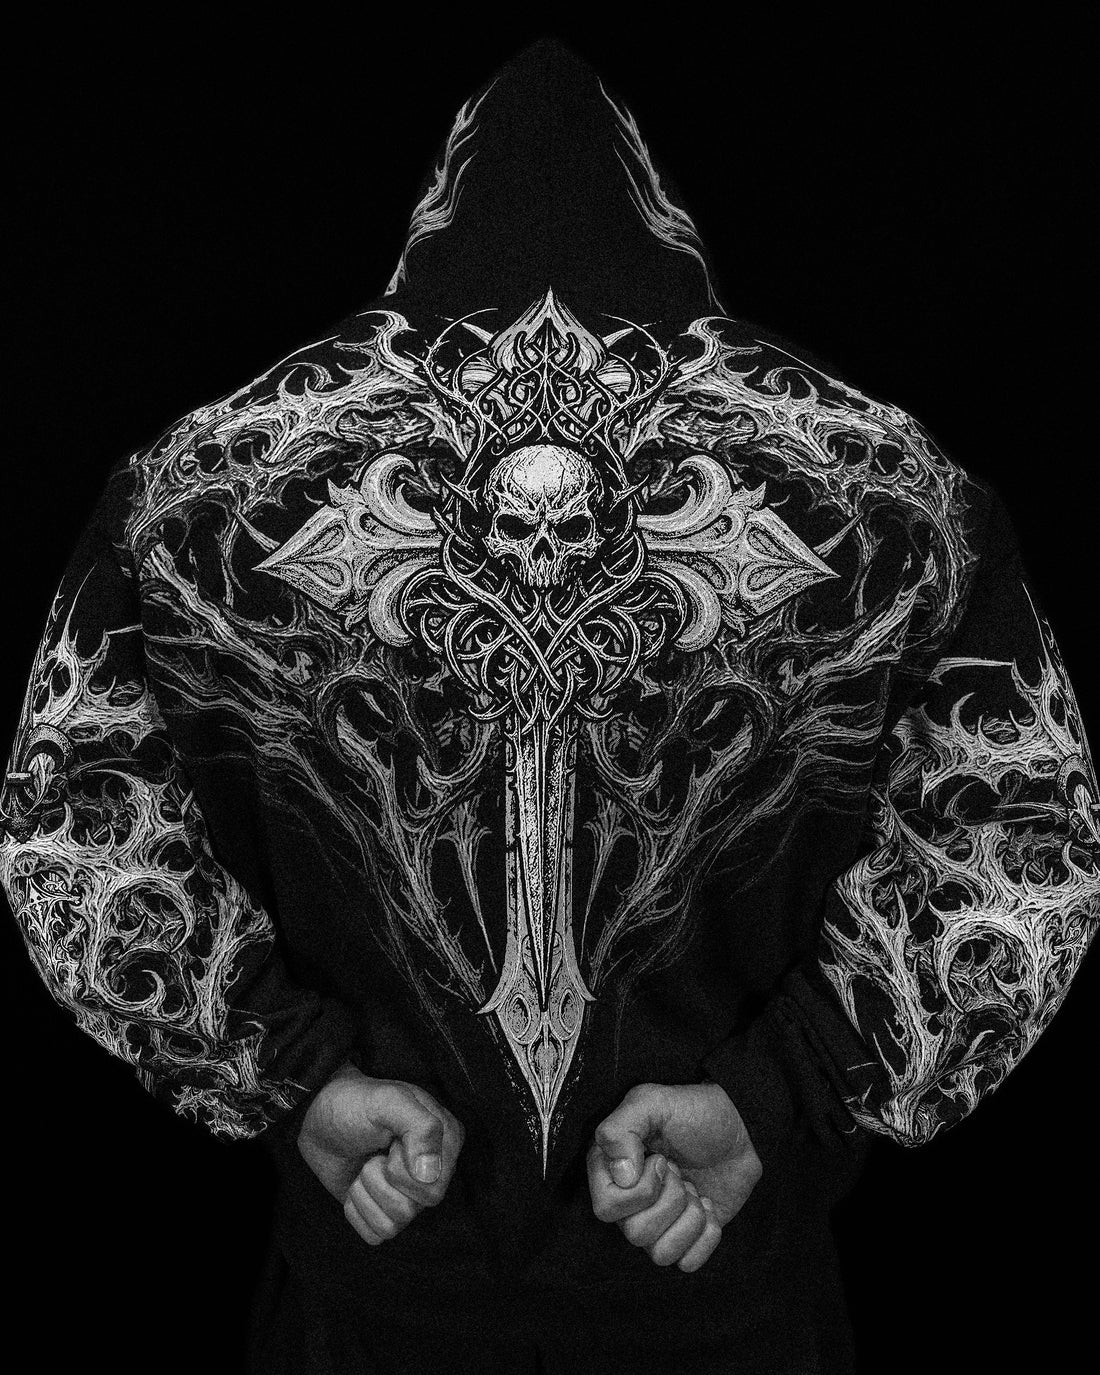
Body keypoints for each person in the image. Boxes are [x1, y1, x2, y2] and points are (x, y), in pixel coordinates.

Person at [2, 38, 1097, 1374]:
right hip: (723, 1304)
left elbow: (77, 826)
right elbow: (1017, 847)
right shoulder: (890, 495)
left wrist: (297, 1075)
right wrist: (776, 1097)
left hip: (376, 1296)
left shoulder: (204, 489)